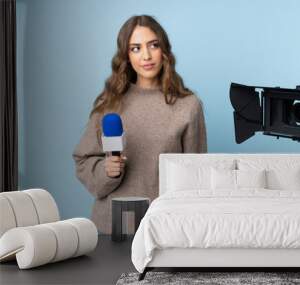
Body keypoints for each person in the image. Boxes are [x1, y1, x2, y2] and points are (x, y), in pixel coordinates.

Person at [72, 15, 207, 234]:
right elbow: (83, 160)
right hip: (112, 228)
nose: (146, 55)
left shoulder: (188, 105)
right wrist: (107, 171)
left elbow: (196, 176)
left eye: (153, 45)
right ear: (126, 55)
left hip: (165, 229)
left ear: (164, 50)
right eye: (135, 48)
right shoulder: (109, 103)